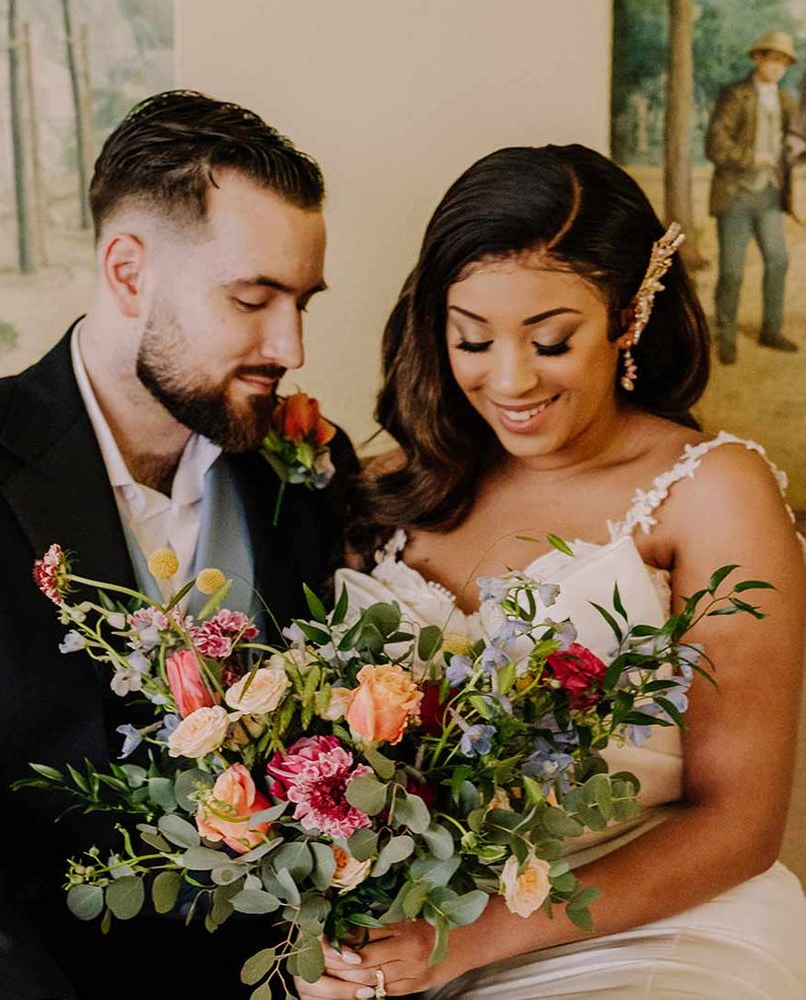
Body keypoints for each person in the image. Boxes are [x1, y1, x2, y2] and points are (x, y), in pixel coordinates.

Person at [0, 90, 356, 1000]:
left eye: (302, 303)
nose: (290, 344)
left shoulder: (299, 468)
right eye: (253, 299)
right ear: (129, 273)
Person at [302, 144, 806, 999]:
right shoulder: (387, 489)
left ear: (631, 314)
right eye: (472, 338)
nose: (509, 379)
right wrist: (345, 949)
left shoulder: (712, 492)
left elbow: (740, 823)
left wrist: (465, 943)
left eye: (551, 339)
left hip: (661, 928)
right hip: (423, 942)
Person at [706, 30, 799, 365]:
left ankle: (771, 329)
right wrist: (752, 157)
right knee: (732, 271)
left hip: (770, 195)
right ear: (757, 59)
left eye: (783, 63)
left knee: (779, 261)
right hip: (735, 195)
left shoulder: (788, 101)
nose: (776, 68)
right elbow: (715, 144)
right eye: (771, 59)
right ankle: (726, 335)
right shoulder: (736, 94)